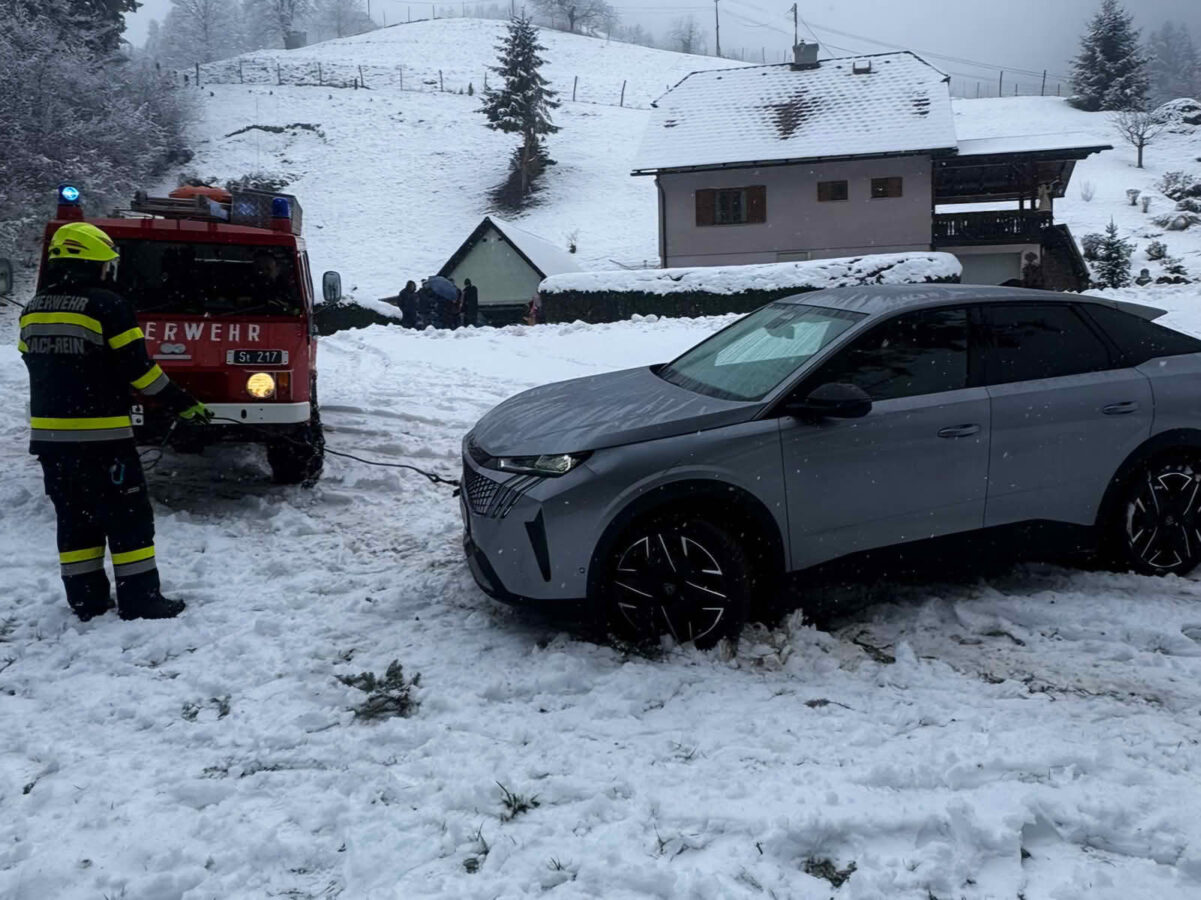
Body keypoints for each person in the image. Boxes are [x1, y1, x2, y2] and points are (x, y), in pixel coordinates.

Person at [19, 222, 213, 622]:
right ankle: (141, 599)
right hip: (103, 438)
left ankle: (86, 601)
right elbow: (140, 372)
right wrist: (184, 404)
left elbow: (33, 360)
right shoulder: (107, 305)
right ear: (95, 264)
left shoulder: (33, 308)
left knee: (76, 520)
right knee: (129, 518)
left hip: (51, 442)